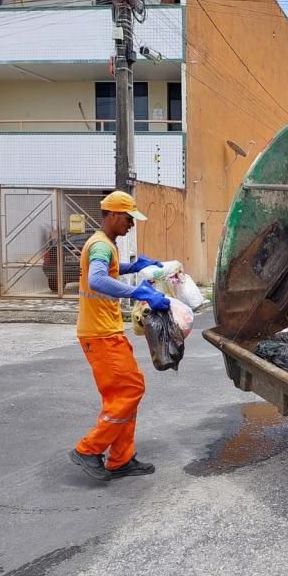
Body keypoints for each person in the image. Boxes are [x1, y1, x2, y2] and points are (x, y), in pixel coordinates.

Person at [69, 191, 171, 482]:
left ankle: (121, 459)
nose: (131, 224)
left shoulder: (104, 244)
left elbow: (108, 270)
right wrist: (138, 292)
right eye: (128, 219)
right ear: (113, 215)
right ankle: (88, 449)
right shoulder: (101, 245)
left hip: (104, 331)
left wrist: (133, 266)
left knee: (121, 395)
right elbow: (97, 279)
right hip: (100, 334)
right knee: (130, 390)